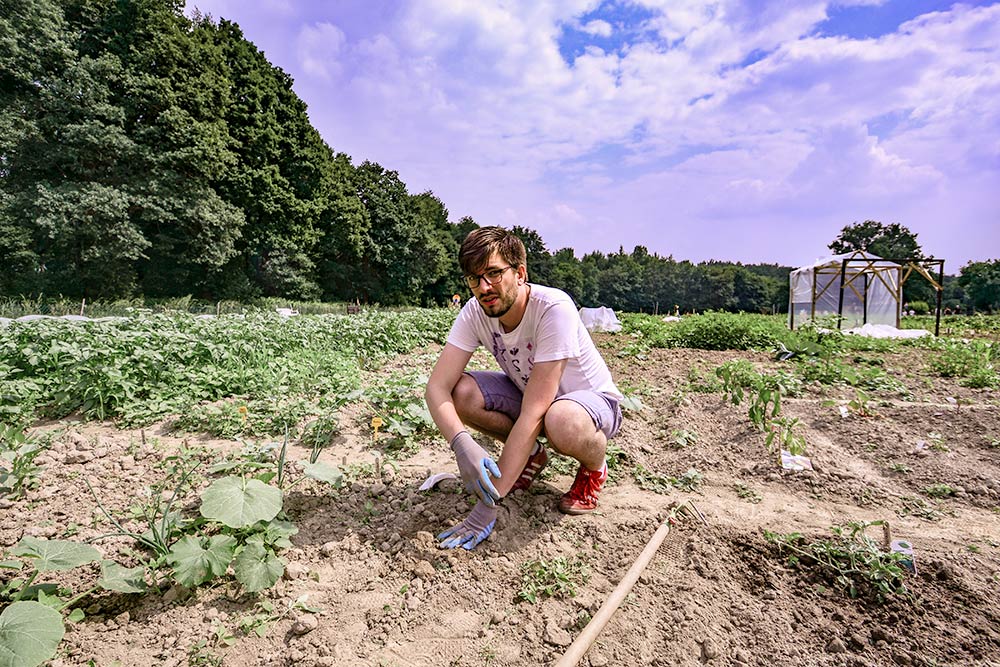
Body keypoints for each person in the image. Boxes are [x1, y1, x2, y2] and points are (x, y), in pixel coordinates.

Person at [424, 227, 623, 550]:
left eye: (493, 273)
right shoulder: (476, 311)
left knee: (561, 420)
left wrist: (488, 505)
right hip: (532, 396)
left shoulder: (552, 308)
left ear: (520, 273)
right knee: (462, 392)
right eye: (474, 279)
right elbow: (437, 387)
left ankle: (593, 467)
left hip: (590, 407)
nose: (484, 287)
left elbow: (535, 411)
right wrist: (462, 444)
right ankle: (531, 455)